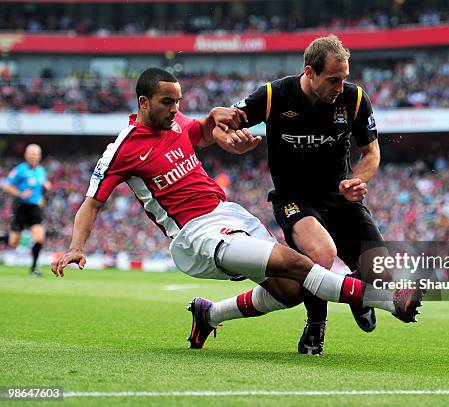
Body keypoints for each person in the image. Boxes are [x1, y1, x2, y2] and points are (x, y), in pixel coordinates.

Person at [50, 67, 423, 352]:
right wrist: (77, 246)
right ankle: (389, 301)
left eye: (178, 101)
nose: (175, 109)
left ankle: (208, 315)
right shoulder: (123, 148)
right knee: (297, 262)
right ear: (143, 102)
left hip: (227, 213)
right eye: (167, 102)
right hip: (196, 233)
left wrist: (229, 139)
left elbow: (206, 133)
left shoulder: (177, 124)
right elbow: (92, 203)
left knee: (291, 291)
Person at [226, 35, 384, 354]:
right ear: (309, 72)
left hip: (340, 196)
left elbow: (371, 153)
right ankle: (316, 325)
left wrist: (358, 180)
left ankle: (356, 290)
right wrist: (231, 139)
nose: (340, 86)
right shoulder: (273, 95)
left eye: (344, 78)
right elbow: (226, 122)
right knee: (321, 253)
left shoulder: (354, 100)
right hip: (294, 198)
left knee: (381, 273)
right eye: (333, 79)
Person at [3, 144, 50, 276]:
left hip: (35, 209)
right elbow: (6, 186)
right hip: (21, 207)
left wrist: (43, 193)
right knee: (13, 242)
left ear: (40, 156)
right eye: (31, 153)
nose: (33, 156)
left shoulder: (41, 171)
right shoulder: (20, 170)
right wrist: (20, 194)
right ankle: (3, 237)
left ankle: (34, 268)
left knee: (40, 238)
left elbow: (40, 188)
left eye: (36, 154)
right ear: (26, 155)